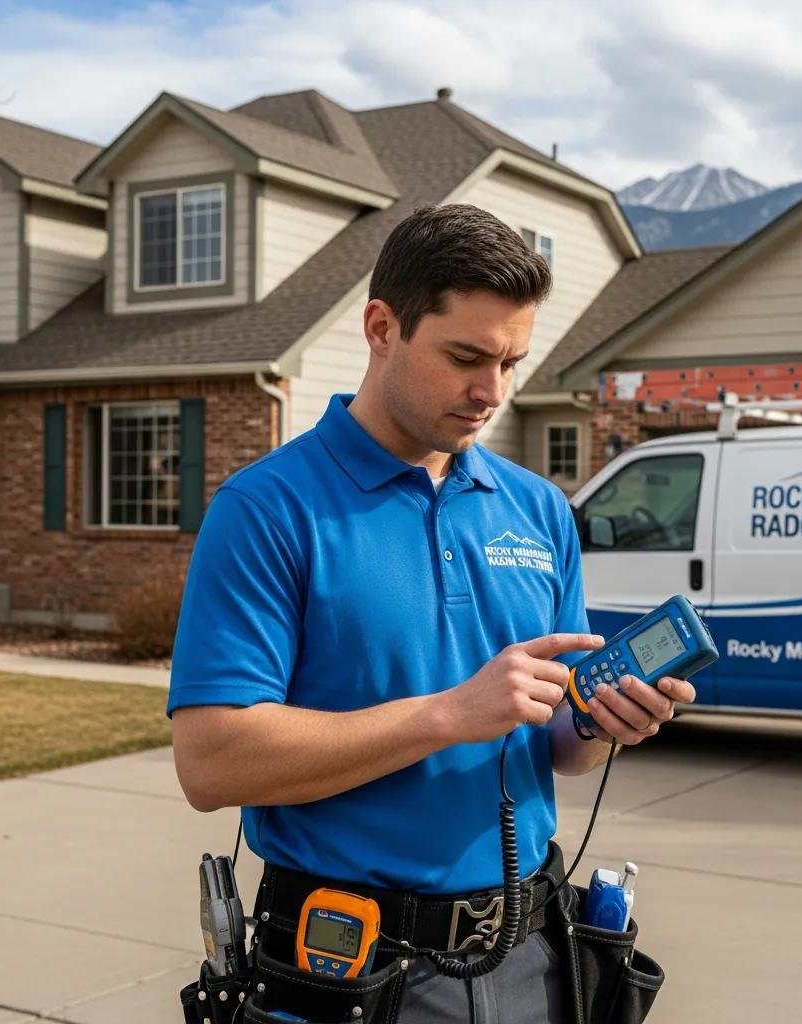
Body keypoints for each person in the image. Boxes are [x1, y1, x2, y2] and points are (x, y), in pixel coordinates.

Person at [168, 204, 696, 1023]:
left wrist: (600, 725)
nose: (491, 392)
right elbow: (211, 764)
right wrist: (448, 714)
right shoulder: (269, 509)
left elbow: (555, 748)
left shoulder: (538, 510)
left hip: (534, 950)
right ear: (381, 326)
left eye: (512, 362)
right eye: (465, 357)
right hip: (345, 965)